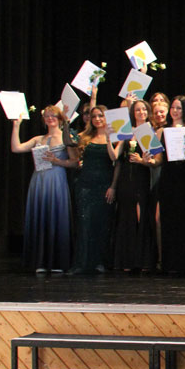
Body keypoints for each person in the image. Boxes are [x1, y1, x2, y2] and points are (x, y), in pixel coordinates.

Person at [11, 105, 77, 272]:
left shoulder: (66, 138)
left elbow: (75, 162)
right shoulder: (38, 139)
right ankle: (40, 261)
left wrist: (56, 161)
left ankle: (57, 262)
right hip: (39, 181)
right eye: (47, 116)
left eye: (53, 115)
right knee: (41, 217)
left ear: (60, 119)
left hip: (56, 179)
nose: (50, 118)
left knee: (56, 217)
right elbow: (16, 148)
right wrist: (16, 126)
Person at [111, 99, 160, 271]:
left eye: (144, 110)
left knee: (141, 216)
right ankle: (126, 260)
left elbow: (156, 161)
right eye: (138, 110)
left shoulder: (150, 131)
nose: (141, 112)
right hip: (125, 179)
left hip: (141, 177)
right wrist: (109, 139)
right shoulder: (126, 131)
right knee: (126, 216)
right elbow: (116, 157)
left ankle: (142, 260)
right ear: (132, 113)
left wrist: (143, 161)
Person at [156, 96, 185, 273]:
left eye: (179, 108)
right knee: (169, 219)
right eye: (173, 108)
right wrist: (148, 160)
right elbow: (158, 159)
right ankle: (170, 263)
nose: (175, 111)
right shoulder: (162, 131)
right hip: (169, 178)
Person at [71, 105, 117, 273]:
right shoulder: (85, 136)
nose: (97, 119)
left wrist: (113, 186)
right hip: (85, 184)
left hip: (104, 184)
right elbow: (71, 148)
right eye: (94, 116)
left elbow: (116, 160)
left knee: (102, 223)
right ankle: (81, 263)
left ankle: (99, 262)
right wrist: (66, 124)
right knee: (84, 223)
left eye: (101, 116)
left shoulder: (114, 136)